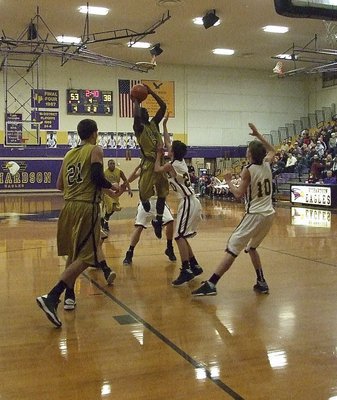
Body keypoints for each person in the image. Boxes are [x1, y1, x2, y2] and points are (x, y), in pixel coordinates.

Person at [36, 119, 122, 327]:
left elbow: (59, 185)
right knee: (89, 255)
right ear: (94, 133)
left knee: (75, 254)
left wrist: (106, 190)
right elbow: (95, 177)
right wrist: (112, 185)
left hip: (68, 208)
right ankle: (52, 296)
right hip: (86, 208)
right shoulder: (96, 149)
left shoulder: (69, 154)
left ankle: (69, 295)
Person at [192, 123, 275, 297]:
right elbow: (273, 149)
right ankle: (261, 281)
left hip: (255, 214)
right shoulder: (267, 164)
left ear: (250, 154)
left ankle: (212, 283)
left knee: (232, 248)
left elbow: (238, 194)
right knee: (252, 248)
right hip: (269, 214)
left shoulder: (248, 170)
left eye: (248, 151)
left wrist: (229, 180)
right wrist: (259, 135)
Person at [154, 113, 203, 286]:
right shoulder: (178, 160)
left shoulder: (172, 165)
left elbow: (157, 168)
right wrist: (165, 125)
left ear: (172, 152)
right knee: (182, 236)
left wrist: (158, 154)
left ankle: (186, 270)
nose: (168, 148)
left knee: (179, 236)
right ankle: (194, 265)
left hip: (188, 201)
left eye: (170, 149)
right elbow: (168, 142)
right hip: (190, 201)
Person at [132, 84, 169, 239]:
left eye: (146, 111)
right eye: (142, 111)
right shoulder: (138, 128)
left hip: (159, 162)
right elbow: (136, 117)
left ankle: (158, 220)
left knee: (163, 194)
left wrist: (151, 91)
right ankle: (144, 200)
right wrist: (136, 100)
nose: (145, 112)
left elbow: (163, 106)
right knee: (144, 193)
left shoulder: (154, 124)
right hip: (148, 162)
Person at [122, 164, 176, 265]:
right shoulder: (144, 169)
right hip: (146, 201)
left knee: (170, 221)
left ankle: (169, 247)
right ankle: (129, 252)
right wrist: (126, 183)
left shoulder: (161, 168)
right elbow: (133, 177)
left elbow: (172, 176)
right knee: (139, 227)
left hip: (159, 201)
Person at [101, 159, 132, 232]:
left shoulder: (119, 171)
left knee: (114, 208)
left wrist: (129, 189)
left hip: (116, 192)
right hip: (107, 193)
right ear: (108, 165)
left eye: (113, 163)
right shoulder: (104, 173)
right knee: (110, 206)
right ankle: (105, 223)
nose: (112, 165)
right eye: (111, 163)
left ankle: (104, 219)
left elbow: (125, 180)